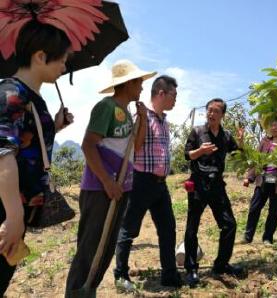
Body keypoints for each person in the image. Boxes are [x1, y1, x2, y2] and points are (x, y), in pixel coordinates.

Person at [65, 60, 156, 297]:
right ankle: (76, 292)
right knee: (90, 248)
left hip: (119, 189)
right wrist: (107, 181)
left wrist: (143, 119)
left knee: (104, 250)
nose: (142, 88)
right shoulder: (106, 107)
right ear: (127, 84)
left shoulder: (126, 114)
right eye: (139, 82)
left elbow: (135, 146)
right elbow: (88, 145)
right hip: (100, 190)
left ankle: (89, 290)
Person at [0, 21, 74, 295]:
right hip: (5, 207)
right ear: (40, 56)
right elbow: (2, 152)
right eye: (62, 60)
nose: (64, 68)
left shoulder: (32, 97)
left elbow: (25, 142)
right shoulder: (11, 93)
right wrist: (13, 214)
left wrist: (54, 126)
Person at [113, 75, 181, 291]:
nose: (175, 100)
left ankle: (170, 275)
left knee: (168, 228)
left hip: (160, 184)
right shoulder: (141, 114)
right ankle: (121, 275)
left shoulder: (164, 120)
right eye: (174, 95)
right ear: (161, 93)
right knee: (129, 228)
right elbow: (136, 146)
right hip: (140, 181)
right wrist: (142, 119)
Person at [183, 98, 244, 287]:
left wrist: (241, 142)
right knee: (192, 227)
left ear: (222, 115)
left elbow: (238, 153)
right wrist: (200, 151)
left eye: (215, 111)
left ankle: (221, 264)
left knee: (229, 224)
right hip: (198, 184)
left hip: (217, 185)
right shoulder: (197, 132)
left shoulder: (226, 136)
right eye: (209, 110)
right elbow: (187, 155)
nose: (211, 113)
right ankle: (191, 268)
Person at [242, 119, 277, 245]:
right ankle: (248, 236)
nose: (273, 127)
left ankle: (267, 238)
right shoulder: (265, 142)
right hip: (263, 179)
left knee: (274, 211)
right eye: (272, 125)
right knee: (254, 208)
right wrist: (249, 177)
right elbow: (256, 160)